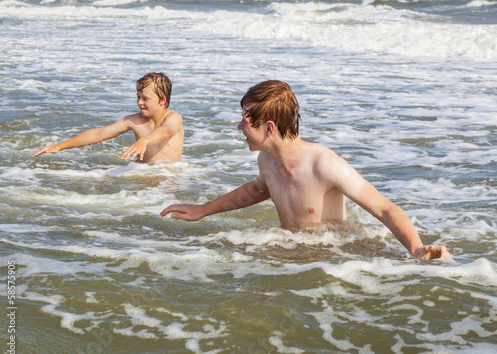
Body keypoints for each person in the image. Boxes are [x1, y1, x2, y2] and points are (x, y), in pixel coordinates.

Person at [161, 80, 449, 260]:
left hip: (334, 262)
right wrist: (203, 209)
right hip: (294, 255)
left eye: (246, 121)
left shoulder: (323, 164)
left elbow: (384, 209)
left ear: (269, 128)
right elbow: (256, 190)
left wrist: (415, 248)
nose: (239, 127)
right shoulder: (267, 161)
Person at [33, 73, 183, 163]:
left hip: (168, 175)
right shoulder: (135, 120)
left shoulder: (173, 117)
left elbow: (166, 131)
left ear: (162, 100)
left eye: (145, 98)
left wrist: (144, 140)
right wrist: (59, 146)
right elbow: (98, 134)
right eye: (138, 97)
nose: (139, 102)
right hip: (141, 173)